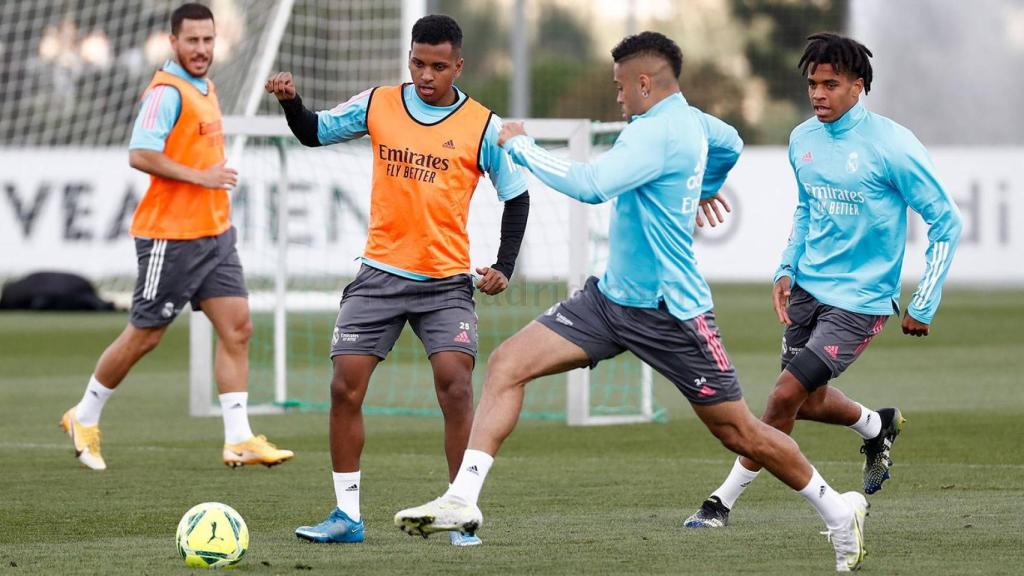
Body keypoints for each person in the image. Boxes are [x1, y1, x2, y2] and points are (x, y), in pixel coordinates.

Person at [395, 31, 869, 572]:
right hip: (610, 301)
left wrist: (518, 144)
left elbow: (591, 185)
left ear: (645, 83)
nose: (617, 98)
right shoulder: (693, 122)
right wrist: (701, 186)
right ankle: (464, 500)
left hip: (673, 314)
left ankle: (838, 510)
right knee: (507, 364)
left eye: (621, 87)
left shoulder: (656, 135)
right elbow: (731, 142)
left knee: (739, 432)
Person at [265, 14, 530, 547]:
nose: (426, 75)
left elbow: (517, 195)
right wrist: (291, 102)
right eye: (417, 63)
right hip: (379, 275)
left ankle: (459, 512)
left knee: (456, 387)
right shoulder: (379, 103)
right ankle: (346, 516)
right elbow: (313, 133)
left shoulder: (481, 125)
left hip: (446, 283)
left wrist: (504, 265)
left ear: (458, 65)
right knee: (344, 386)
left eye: (437, 66)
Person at [684, 32, 962, 530]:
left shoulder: (892, 144)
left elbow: (946, 220)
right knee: (806, 401)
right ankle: (877, 426)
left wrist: (924, 300)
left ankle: (719, 503)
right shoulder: (802, 139)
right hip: (809, 289)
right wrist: (787, 268)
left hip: (861, 300)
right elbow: (807, 208)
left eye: (830, 84)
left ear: (858, 86)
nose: (817, 94)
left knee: (782, 397)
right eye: (812, 84)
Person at [60, 3, 294, 471]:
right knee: (145, 335)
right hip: (171, 237)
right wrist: (201, 178)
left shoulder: (204, 85)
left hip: (215, 235)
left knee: (238, 328)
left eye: (208, 40)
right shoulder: (165, 92)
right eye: (192, 41)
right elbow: (140, 154)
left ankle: (238, 438)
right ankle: (83, 415)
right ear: (174, 42)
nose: (202, 49)